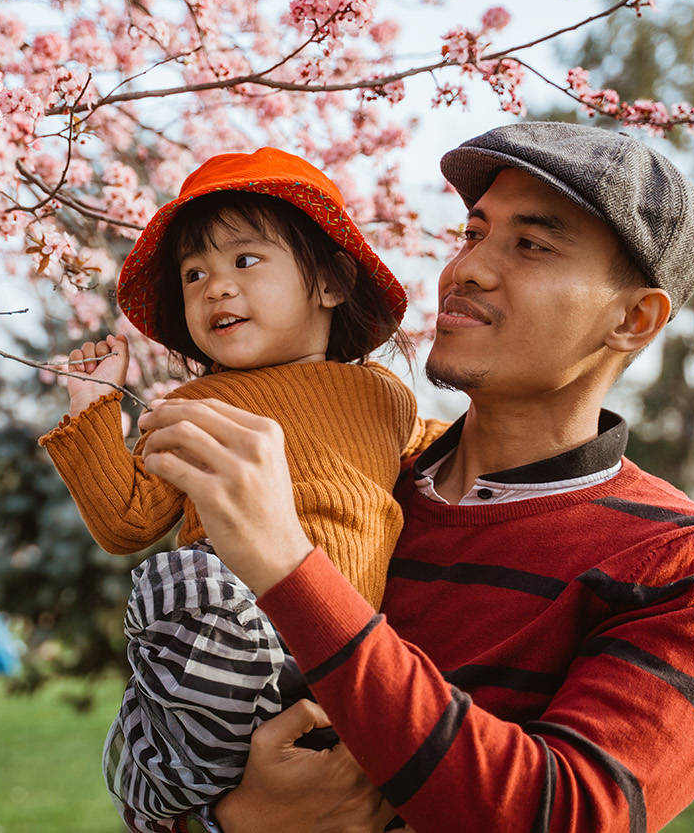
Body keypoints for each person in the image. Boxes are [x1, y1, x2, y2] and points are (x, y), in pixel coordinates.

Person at [136, 122, 694, 833]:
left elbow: (564, 814)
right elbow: (179, 737)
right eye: (474, 234)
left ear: (633, 318)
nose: (464, 269)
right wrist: (234, 820)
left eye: (531, 244)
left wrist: (290, 567)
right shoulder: (356, 483)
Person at [38, 148, 444, 832]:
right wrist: (92, 408)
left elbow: (435, 456)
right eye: (195, 274)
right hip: (232, 642)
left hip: (344, 652)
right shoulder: (200, 404)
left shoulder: (385, 398)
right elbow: (128, 521)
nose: (215, 288)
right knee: (182, 584)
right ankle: (158, 776)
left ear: (331, 283)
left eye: (245, 261)